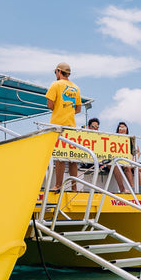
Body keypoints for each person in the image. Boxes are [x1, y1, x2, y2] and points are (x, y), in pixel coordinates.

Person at [46, 62, 83, 191]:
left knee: (59, 157)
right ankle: (74, 188)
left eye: (55, 72)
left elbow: (49, 104)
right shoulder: (76, 88)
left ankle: (58, 185)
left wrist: (59, 109)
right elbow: (78, 108)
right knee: (73, 157)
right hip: (72, 125)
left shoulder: (56, 84)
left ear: (59, 71)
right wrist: (68, 110)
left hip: (58, 125)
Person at [111, 121, 141, 194]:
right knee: (128, 167)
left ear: (127, 129)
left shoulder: (131, 139)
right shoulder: (114, 139)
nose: (122, 129)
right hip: (122, 161)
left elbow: (138, 152)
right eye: (120, 127)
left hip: (131, 159)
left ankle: (140, 189)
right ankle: (133, 188)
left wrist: (134, 159)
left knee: (136, 169)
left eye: (124, 127)